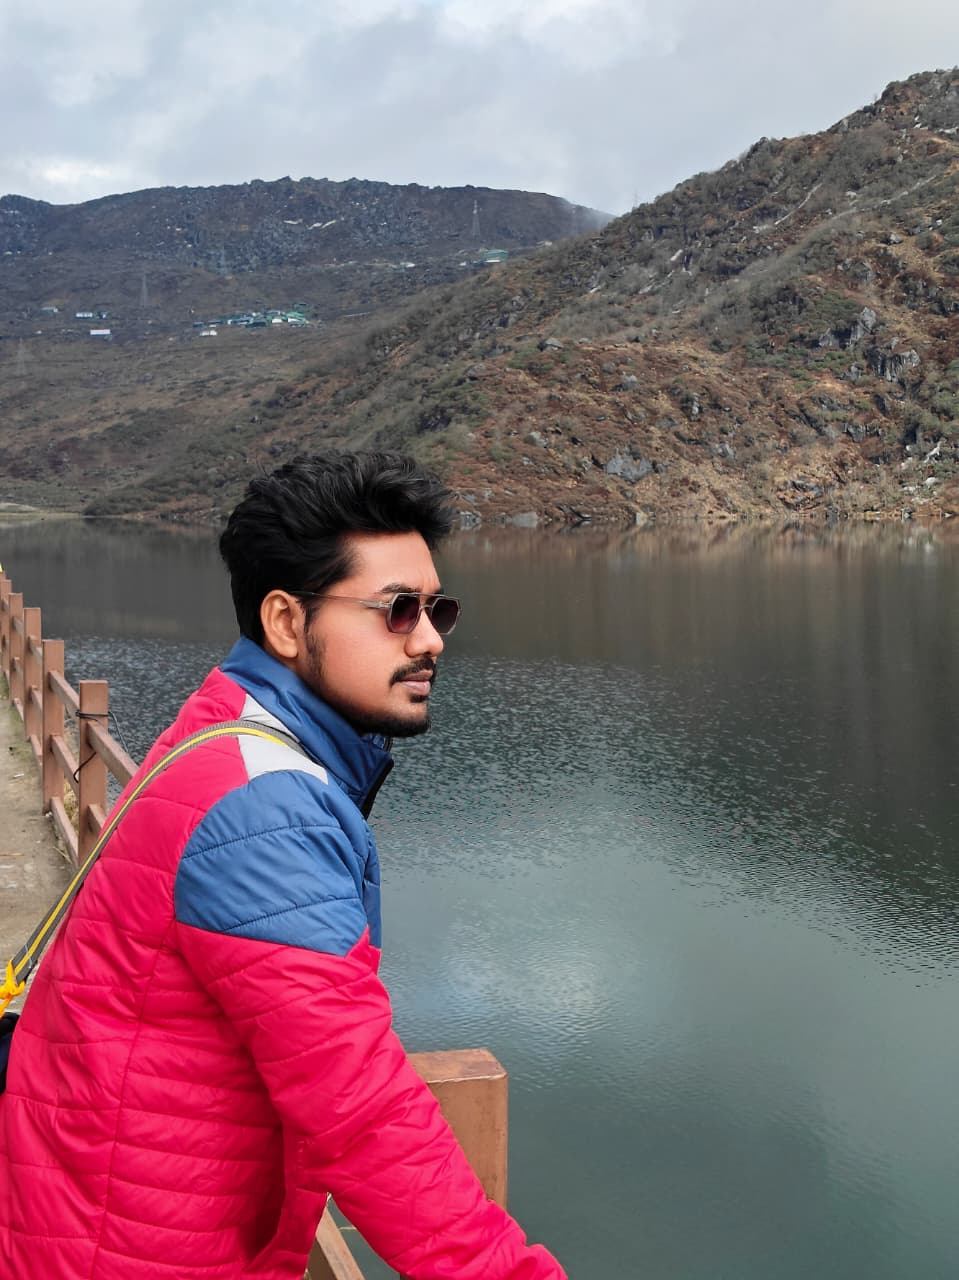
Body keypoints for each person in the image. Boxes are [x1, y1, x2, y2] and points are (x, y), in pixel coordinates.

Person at [0, 452, 566, 1279]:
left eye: (436, 607)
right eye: (396, 610)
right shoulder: (265, 811)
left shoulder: (224, 719)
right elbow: (361, 1111)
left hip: (100, 1201)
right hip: (139, 1244)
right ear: (286, 622)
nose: (430, 638)